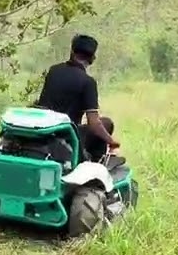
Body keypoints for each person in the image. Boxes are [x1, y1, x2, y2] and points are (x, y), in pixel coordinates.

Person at [33, 34, 118, 162]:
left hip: (45, 131)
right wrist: (111, 141)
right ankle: (96, 162)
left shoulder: (53, 70)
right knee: (106, 123)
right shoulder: (88, 82)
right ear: (93, 58)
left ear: (72, 52)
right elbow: (94, 124)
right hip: (68, 135)